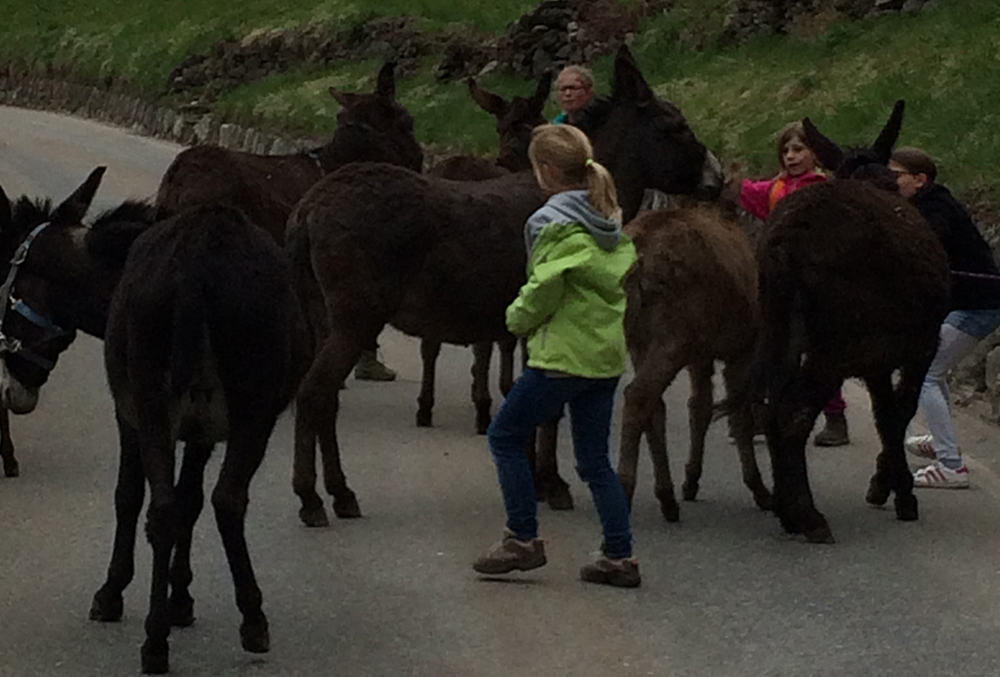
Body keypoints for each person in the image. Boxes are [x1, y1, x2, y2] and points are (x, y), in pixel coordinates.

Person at [472, 123, 640, 588]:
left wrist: (516, 318)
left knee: (505, 435)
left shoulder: (552, 223)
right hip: (603, 360)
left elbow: (545, 284)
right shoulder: (607, 220)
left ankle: (522, 538)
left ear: (545, 170)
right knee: (593, 461)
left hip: (560, 357)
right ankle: (620, 555)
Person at [892, 147, 1000, 489]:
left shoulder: (936, 206)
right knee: (931, 373)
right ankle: (942, 444)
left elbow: (928, 238)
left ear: (919, 179)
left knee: (925, 373)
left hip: (979, 305)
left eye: (896, 175)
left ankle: (952, 466)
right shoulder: (927, 203)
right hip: (967, 304)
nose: (890, 181)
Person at [740, 121, 851, 447]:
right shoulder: (777, 188)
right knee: (772, 346)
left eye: (798, 149)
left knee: (821, 350)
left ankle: (835, 418)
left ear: (816, 154)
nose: (791, 156)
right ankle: (767, 413)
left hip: (816, 282)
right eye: (785, 150)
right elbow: (748, 193)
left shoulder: (822, 188)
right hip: (780, 281)